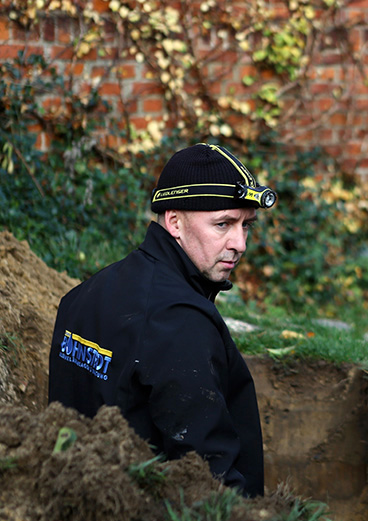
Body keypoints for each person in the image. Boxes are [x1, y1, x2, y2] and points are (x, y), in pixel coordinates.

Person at [48, 143, 276, 498]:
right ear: (174, 222)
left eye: (247, 225)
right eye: (223, 224)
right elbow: (207, 479)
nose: (240, 243)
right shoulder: (180, 323)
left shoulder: (85, 295)